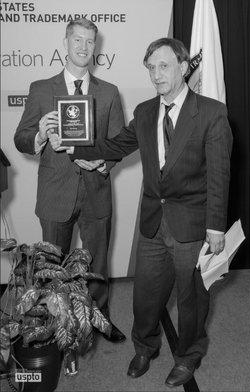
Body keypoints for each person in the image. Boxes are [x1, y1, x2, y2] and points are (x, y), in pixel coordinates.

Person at [50, 38, 233, 387]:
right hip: (152, 222)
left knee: (192, 298)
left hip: (193, 225)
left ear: (183, 67)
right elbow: (116, 145)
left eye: (164, 66)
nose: (156, 74)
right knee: (145, 295)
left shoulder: (211, 112)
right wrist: (73, 144)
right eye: (151, 67)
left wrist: (215, 226)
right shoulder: (147, 111)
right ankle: (145, 346)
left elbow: (219, 175)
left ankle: (189, 355)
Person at [14, 18, 126, 343]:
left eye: (89, 42)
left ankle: (98, 319)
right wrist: (39, 135)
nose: (83, 47)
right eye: (77, 40)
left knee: (98, 264)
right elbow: (21, 137)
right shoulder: (41, 89)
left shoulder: (108, 93)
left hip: (96, 194)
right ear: (66, 42)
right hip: (55, 194)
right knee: (52, 267)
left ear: (96, 46)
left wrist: (104, 160)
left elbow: (118, 142)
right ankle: (55, 325)